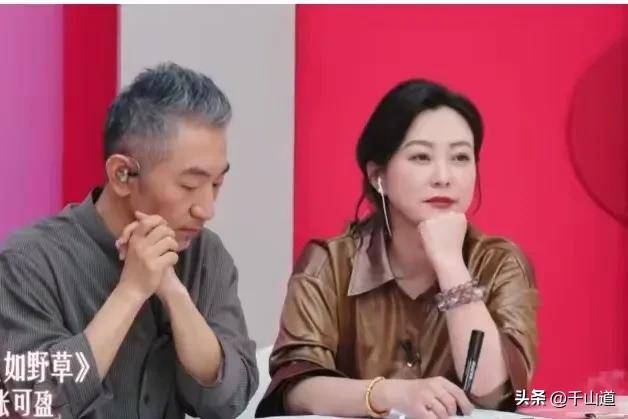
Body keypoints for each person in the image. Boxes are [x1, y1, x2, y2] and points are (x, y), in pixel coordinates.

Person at [256, 79, 538, 418]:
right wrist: (392, 394)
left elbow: (494, 392)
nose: (444, 176)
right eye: (421, 156)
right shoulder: (329, 262)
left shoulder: (500, 262)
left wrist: (451, 265)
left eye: (461, 157)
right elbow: (296, 391)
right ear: (378, 175)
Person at [0, 63, 258, 419]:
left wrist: (174, 294)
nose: (206, 209)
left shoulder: (205, 255)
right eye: (189, 185)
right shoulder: (28, 261)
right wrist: (132, 291)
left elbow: (232, 397)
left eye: (216, 184)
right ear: (122, 174)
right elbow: (30, 406)